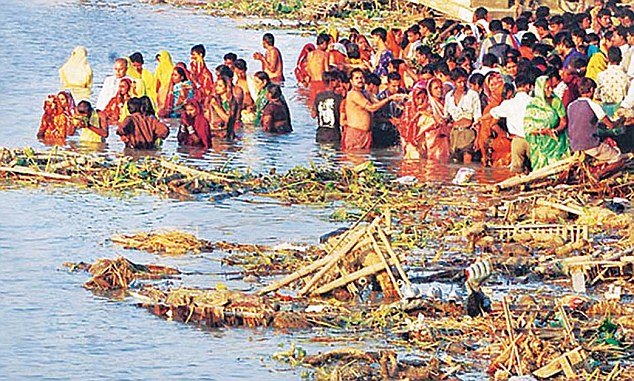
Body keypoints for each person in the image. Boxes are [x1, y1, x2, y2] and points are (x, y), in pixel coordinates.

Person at [342, 68, 405, 151]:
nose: (360, 80)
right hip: (356, 133)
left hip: (366, 134)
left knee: (365, 161)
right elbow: (371, 108)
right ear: (351, 81)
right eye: (356, 78)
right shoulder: (353, 94)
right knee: (356, 160)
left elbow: (378, 103)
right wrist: (390, 98)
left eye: (361, 78)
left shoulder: (365, 93)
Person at [567, 77, 622, 163]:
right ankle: (598, 175)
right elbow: (611, 125)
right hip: (589, 145)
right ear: (592, 90)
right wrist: (620, 121)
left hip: (574, 146)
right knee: (618, 158)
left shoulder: (570, 106)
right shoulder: (593, 105)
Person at [489, 74, 534, 173]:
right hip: (532, 139)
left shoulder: (508, 103)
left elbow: (493, 114)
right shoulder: (533, 102)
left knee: (516, 172)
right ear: (528, 86)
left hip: (516, 140)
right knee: (534, 169)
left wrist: (506, 135)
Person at [524, 76, 570, 171]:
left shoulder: (556, 101)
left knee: (558, 169)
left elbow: (563, 121)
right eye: (547, 88)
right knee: (541, 171)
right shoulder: (532, 106)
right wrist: (542, 131)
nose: (550, 90)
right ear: (540, 89)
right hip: (540, 145)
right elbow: (528, 127)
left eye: (551, 87)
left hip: (556, 143)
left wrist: (555, 131)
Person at [444, 67, 481, 163]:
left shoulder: (473, 95)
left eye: (464, 81)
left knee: (467, 162)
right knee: (455, 163)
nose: (462, 84)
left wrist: (477, 139)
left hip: (468, 132)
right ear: (453, 82)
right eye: (459, 82)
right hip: (455, 133)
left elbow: (477, 118)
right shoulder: (449, 96)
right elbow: (446, 116)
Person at [476, 72, 512, 167]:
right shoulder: (491, 107)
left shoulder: (506, 103)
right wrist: (506, 135)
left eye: (497, 84)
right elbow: (486, 131)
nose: (494, 88)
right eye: (491, 85)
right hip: (499, 144)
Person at [596, 46, 629, 116]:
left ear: (607, 59)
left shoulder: (601, 76)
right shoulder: (626, 77)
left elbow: (597, 95)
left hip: (605, 112)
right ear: (621, 59)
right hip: (621, 112)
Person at [312, 71, 343, 144]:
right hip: (334, 134)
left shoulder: (318, 96)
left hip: (320, 134)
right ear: (332, 82)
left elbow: (313, 115)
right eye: (336, 80)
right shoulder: (339, 98)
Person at [306, 33, 331, 103]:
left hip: (313, 83)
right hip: (322, 82)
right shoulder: (325, 55)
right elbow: (327, 71)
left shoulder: (310, 54)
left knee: (313, 105)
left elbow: (308, 70)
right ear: (324, 43)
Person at [234, 59, 256, 123]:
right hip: (237, 110)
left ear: (245, 70)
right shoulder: (234, 81)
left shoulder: (251, 81)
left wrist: (253, 107)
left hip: (249, 111)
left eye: (241, 73)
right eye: (237, 73)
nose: (239, 75)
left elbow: (257, 97)